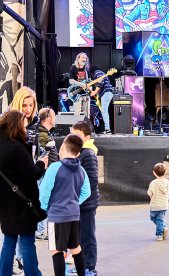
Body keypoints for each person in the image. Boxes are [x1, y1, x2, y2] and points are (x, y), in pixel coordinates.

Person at [0, 110, 48, 276]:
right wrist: (42, 163)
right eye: (24, 124)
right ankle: (33, 273)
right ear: (17, 125)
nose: (26, 128)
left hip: (5, 202)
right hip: (23, 202)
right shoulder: (17, 148)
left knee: (9, 241)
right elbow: (32, 173)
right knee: (27, 241)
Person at [39, 134, 91, 276]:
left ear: (62, 147)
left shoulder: (55, 167)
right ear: (78, 153)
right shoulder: (82, 170)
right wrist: (74, 202)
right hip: (74, 214)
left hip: (56, 215)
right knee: (75, 248)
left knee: (56, 251)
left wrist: (44, 208)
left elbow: (44, 192)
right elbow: (87, 192)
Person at [71, 121, 100, 276]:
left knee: (87, 237)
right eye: (71, 134)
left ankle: (89, 267)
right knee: (80, 236)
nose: (72, 138)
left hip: (86, 204)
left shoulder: (88, 153)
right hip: (79, 203)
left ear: (86, 137)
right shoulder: (79, 152)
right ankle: (82, 265)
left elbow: (92, 180)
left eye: (76, 135)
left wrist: (77, 192)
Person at [35, 107, 59, 242]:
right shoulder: (42, 134)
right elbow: (42, 155)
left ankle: (43, 231)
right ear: (48, 118)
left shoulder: (45, 133)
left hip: (47, 172)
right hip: (45, 173)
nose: (55, 118)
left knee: (45, 201)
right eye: (54, 116)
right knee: (44, 201)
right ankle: (42, 231)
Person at [10, 87, 39, 159]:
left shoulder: (35, 121)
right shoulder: (7, 122)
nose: (28, 110)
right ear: (18, 104)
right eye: (24, 105)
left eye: (31, 105)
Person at [147, 163, 169, 241]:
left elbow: (149, 193)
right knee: (158, 219)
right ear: (165, 172)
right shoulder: (167, 182)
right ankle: (163, 227)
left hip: (155, 205)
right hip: (164, 205)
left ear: (154, 172)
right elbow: (168, 191)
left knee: (154, 218)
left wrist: (151, 195)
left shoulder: (153, 183)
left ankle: (159, 234)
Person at [90, 65, 114, 134]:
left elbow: (101, 82)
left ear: (92, 71)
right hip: (106, 93)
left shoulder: (98, 73)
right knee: (105, 111)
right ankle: (107, 128)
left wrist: (94, 91)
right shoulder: (101, 73)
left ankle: (107, 129)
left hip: (106, 93)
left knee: (104, 111)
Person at [69, 52, 92, 117]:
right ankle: (77, 127)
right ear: (78, 59)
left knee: (87, 114)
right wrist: (81, 84)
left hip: (86, 93)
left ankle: (86, 127)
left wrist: (90, 87)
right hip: (77, 93)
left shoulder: (86, 69)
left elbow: (90, 81)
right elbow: (71, 81)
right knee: (77, 113)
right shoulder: (73, 67)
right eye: (82, 57)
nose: (84, 59)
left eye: (85, 58)